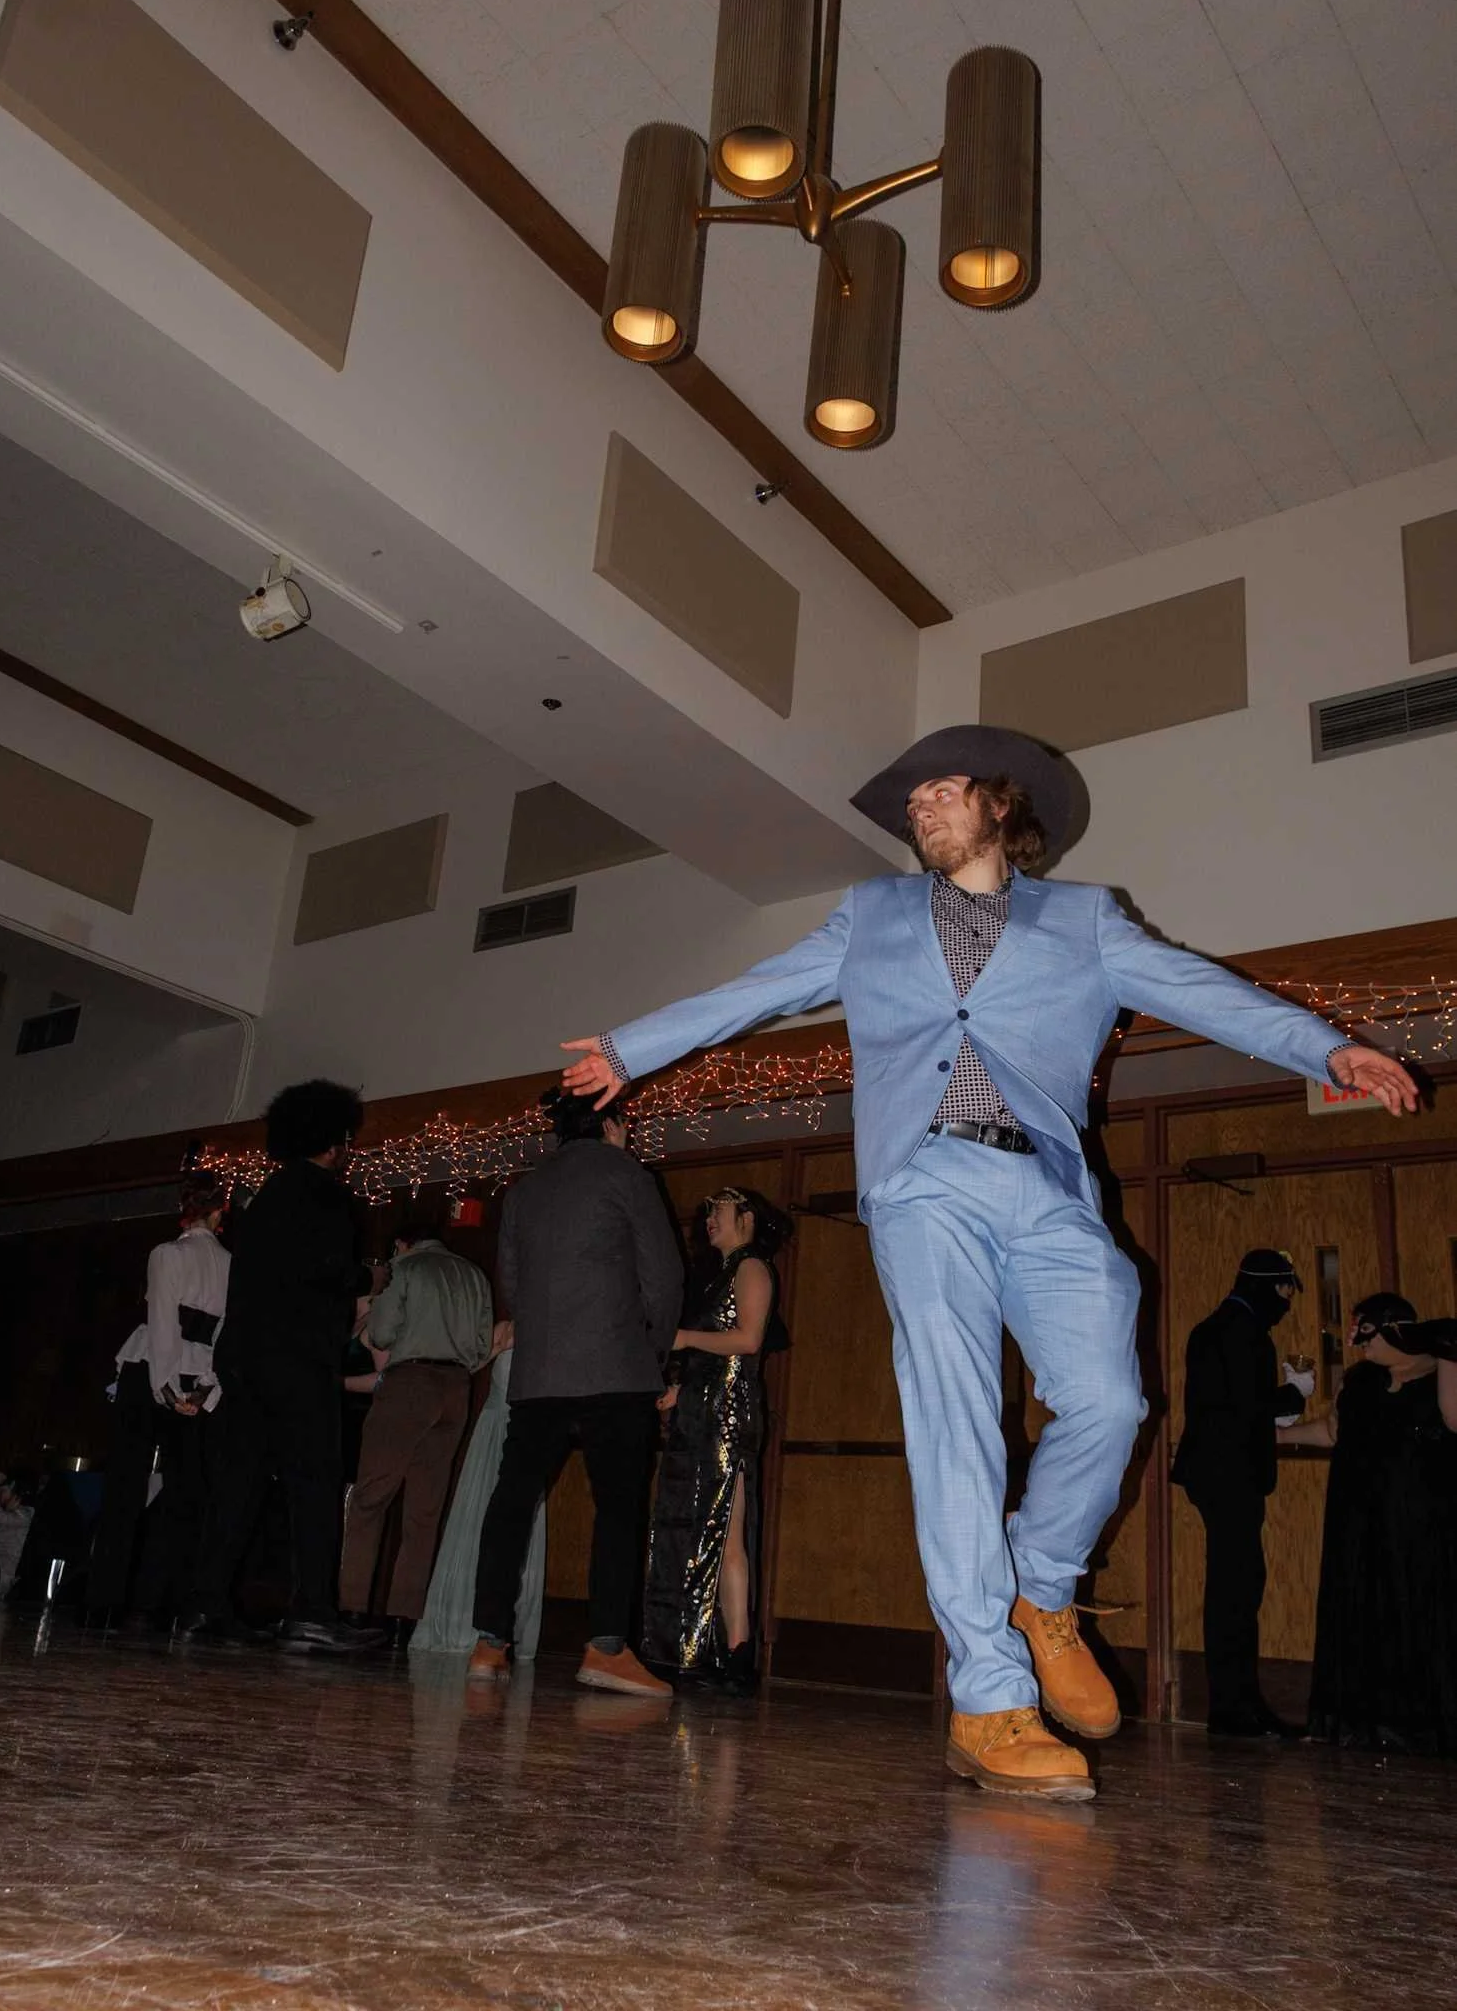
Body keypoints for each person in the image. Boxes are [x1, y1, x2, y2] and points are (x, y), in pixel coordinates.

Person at [560, 724, 1417, 1800]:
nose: (920, 806)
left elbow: (1200, 990)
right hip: (923, 1184)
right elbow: (759, 987)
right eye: (911, 799)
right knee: (955, 1417)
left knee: (1110, 1402)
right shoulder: (870, 914)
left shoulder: (1085, 920)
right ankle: (988, 1695)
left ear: (1002, 805)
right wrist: (631, 1047)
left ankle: (1039, 1586)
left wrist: (1325, 1046)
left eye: (943, 790)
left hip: (1047, 1190)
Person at [468, 1086, 683, 1696]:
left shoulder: (524, 1190)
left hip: (539, 1375)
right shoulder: (628, 1175)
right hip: (616, 1369)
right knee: (617, 1506)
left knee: (512, 1501)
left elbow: (513, 1284)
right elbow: (664, 1279)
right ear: (611, 1124)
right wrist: (653, 1354)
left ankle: (489, 1643)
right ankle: (606, 1648)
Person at [181, 1081, 379, 1655]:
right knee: (314, 1482)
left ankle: (205, 1603)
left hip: (245, 1358)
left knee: (238, 1483)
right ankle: (312, 1612)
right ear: (333, 1142)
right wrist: (368, 1278)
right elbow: (328, 1269)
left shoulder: (265, 1197)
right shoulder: (326, 1194)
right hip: (297, 1358)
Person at [1289, 1294, 1457, 1754]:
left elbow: (1453, 1418)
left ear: (1391, 1327)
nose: (1353, 1340)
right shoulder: (1359, 1380)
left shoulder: (1442, 1373)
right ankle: (1361, 1721)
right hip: (1358, 1523)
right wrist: (1272, 1434)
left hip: (1419, 1525)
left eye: (1363, 1328)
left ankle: (1422, 1726)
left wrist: (1445, 1348)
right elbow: (1331, 1431)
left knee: (1417, 1611)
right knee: (1359, 1611)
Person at [642, 1185, 790, 1695]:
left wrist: (683, 1338)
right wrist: (680, 1390)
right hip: (701, 1410)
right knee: (695, 1529)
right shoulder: (718, 1276)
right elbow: (714, 1359)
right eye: (706, 1211)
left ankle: (736, 1653)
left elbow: (748, 1340)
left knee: (724, 1531)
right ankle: (703, 1649)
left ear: (746, 1217)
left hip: (728, 1415)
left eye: (719, 1209)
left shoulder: (752, 1267)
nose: (709, 1218)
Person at [1169, 1249, 1316, 1737]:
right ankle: (1235, 1707)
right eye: (1285, 1289)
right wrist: (1294, 1392)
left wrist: (1282, 1406)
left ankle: (1236, 1703)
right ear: (1266, 1284)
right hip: (1229, 1475)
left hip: (1217, 1474)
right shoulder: (1244, 1332)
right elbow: (1247, 1405)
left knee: (1234, 1587)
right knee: (1236, 1590)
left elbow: (1230, 1407)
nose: (1287, 1300)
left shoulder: (1218, 1328)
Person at [339, 1217, 497, 1647]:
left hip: (409, 1382)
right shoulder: (474, 1275)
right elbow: (482, 1346)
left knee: (370, 1500)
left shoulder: (404, 1269)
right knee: (424, 1513)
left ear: (401, 1243)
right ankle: (402, 1621)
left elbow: (382, 1333)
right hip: (457, 1388)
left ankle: (352, 1610)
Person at [86, 1174, 229, 1629]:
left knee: (125, 1486)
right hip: (196, 1374)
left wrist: (166, 1388)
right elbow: (224, 1337)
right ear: (219, 1213)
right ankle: (158, 1603)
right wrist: (204, 1388)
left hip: (152, 1370)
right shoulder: (232, 1264)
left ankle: (105, 1602)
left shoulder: (167, 1254)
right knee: (184, 1493)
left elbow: (163, 1322)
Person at [413, 1337, 547, 1661]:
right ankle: (476, 1624)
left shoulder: (544, 1339)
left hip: (523, 1436)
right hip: (495, 1435)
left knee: (509, 1522)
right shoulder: (511, 1332)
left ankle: (497, 1628)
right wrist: (495, 1348)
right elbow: (469, 1362)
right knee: (485, 1519)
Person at [0, 1469, 37, 1599]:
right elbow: (2, 1536)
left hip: (5, 1574)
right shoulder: (14, 1514)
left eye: (3, 1491)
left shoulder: (24, 1514)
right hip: (0, 1570)